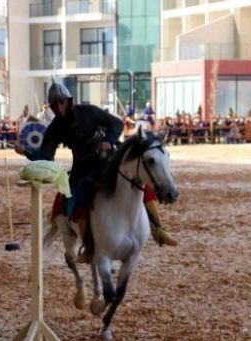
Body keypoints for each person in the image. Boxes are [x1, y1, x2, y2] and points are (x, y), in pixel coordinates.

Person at [14, 80, 177, 261]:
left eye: (61, 102)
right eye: (54, 105)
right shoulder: (55, 128)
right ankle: (89, 247)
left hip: (110, 162)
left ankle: (158, 230)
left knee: (139, 183)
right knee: (79, 200)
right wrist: (26, 151)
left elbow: (116, 124)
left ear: (68, 100)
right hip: (82, 171)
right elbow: (45, 155)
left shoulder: (88, 111)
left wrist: (108, 139)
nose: (58, 108)